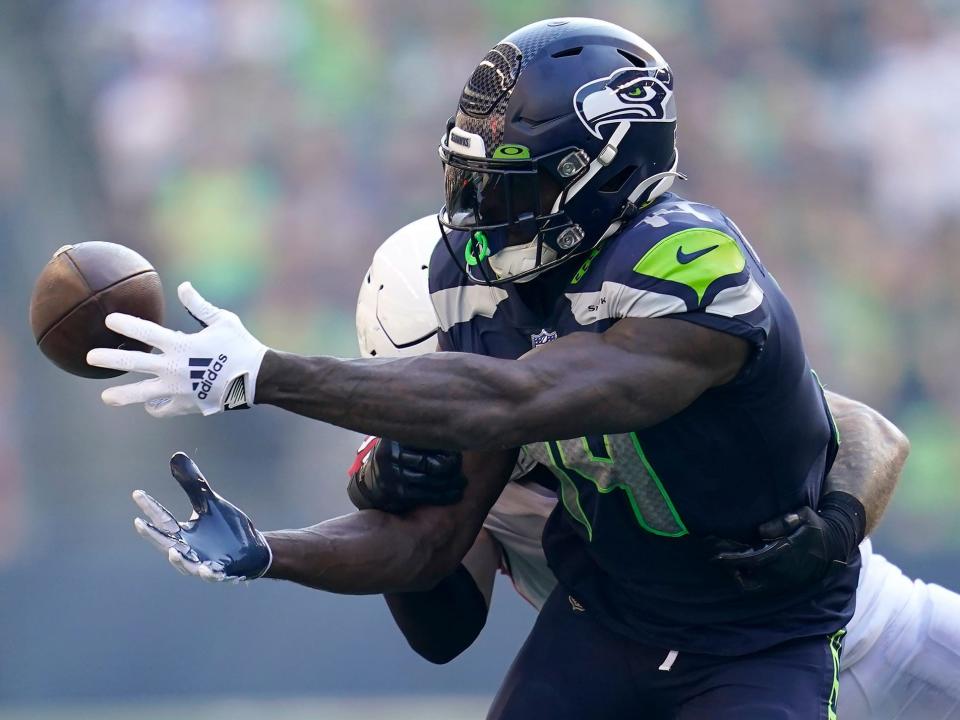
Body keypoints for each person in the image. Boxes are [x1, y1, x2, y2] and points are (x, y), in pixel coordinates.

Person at [90, 18, 904, 718]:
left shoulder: (689, 260)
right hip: (611, 617)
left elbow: (519, 396)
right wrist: (271, 552)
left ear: (603, 172)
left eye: (507, 187)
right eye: (468, 180)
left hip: (759, 635)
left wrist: (265, 374)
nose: (475, 214)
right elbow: (431, 548)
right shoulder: (477, 283)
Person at [133, 216, 959, 719]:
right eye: (418, 391)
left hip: (860, 632)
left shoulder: (610, 352)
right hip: (684, 672)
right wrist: (318, 526)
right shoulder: (449, 456)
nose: (440, 402)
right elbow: (441, 618)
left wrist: (835, 525)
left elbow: (866, 428)